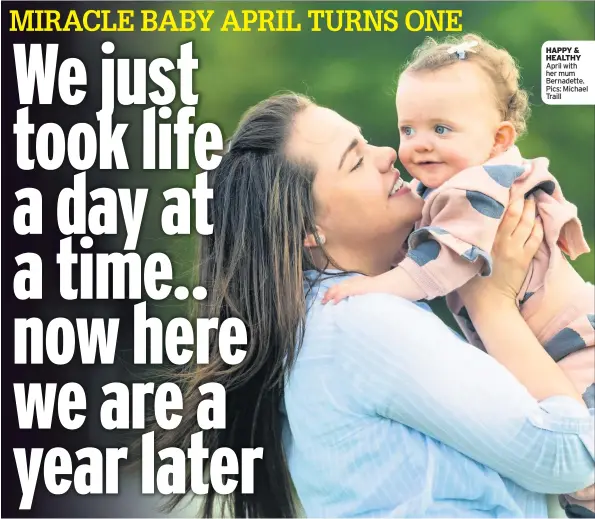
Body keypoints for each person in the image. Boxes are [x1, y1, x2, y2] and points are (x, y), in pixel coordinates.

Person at [154, 93, 594, 518]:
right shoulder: (357, 322)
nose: (387, 153)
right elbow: (570, 453)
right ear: (310, 229)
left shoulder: (328, 322)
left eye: (366, 142)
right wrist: (492, 303)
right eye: (357, 160)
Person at [320, 35, 595, 515]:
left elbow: (440, 262)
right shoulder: (472, 180)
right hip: (557, 340)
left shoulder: (477, 187)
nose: (418, 144)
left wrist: (377, 286)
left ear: (499, 139)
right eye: (409, 129)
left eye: (442, 129)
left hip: (574, 344)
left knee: (583, 476)